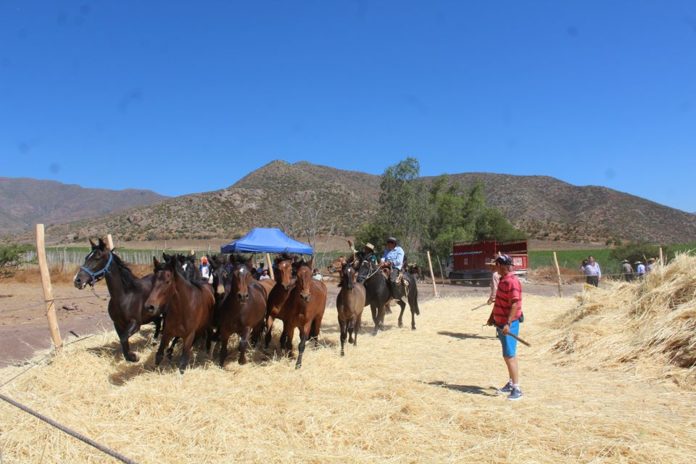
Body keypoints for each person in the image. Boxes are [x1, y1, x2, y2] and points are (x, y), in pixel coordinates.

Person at [486, 254, 524, 401]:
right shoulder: (503, 280)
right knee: (507, 355)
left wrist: (508, 323)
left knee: (510, 355)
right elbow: (499, 302)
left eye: (496, 265)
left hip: (509, 324)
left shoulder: (512, 282)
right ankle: (510, 383)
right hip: (500, 323)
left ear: (502, 266)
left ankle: (517, 389)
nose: (495, 268)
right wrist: (492, 317)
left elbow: (515, 304)